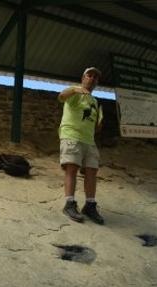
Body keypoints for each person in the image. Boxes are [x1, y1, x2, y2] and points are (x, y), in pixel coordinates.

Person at [57, 67, 105, 225]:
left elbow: (97, 126)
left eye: (95, 78)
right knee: (72, 168)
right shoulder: (75, 93)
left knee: (92, 170)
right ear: (83, 77)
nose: (92, 79)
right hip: (72, 135)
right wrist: (76, 89)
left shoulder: (96, 102)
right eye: (89, 75)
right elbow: (61, 96)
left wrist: (98, 123)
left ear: (97, 82)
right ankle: (69, 204)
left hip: (89, 140)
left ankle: (90, 205)